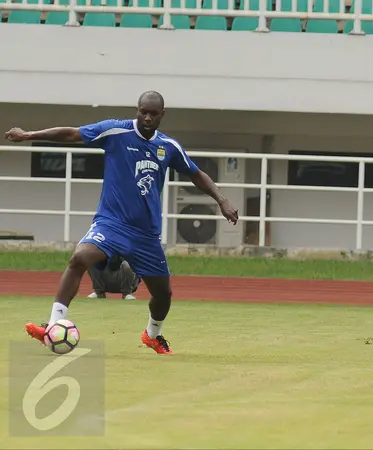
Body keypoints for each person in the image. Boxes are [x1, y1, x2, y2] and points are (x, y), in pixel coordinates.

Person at [5, 90, 239, 355]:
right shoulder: (115, 132)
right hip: (111, 223)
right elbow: (71, 133)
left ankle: (153, 334)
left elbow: (196, 174)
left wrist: (222, 200)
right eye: (143, 112)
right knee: (79, 258)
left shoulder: (168, 147)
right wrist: (29, 135)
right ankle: (55, 323)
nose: (147, 117)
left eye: (152, 113)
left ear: (162, 115)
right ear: (136, 110)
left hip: (146, 235)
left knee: (163, 295)